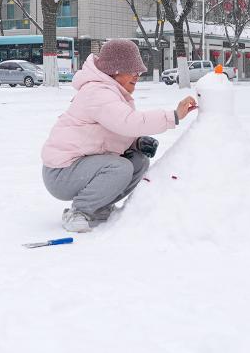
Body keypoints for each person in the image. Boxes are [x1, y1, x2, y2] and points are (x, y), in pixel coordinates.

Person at [41, 40, 197, 232]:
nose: (137, 75)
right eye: (132, 70)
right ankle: (78, 211)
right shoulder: (97, 92)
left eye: (138, 71)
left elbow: (114, 130)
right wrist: (173, 116)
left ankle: (98, 207)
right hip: (60, 172)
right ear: (115, 70)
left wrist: (137, 143)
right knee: (120, 167)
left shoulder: (111, 93)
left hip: (80, 165)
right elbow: (128, 122)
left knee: (138, 162)